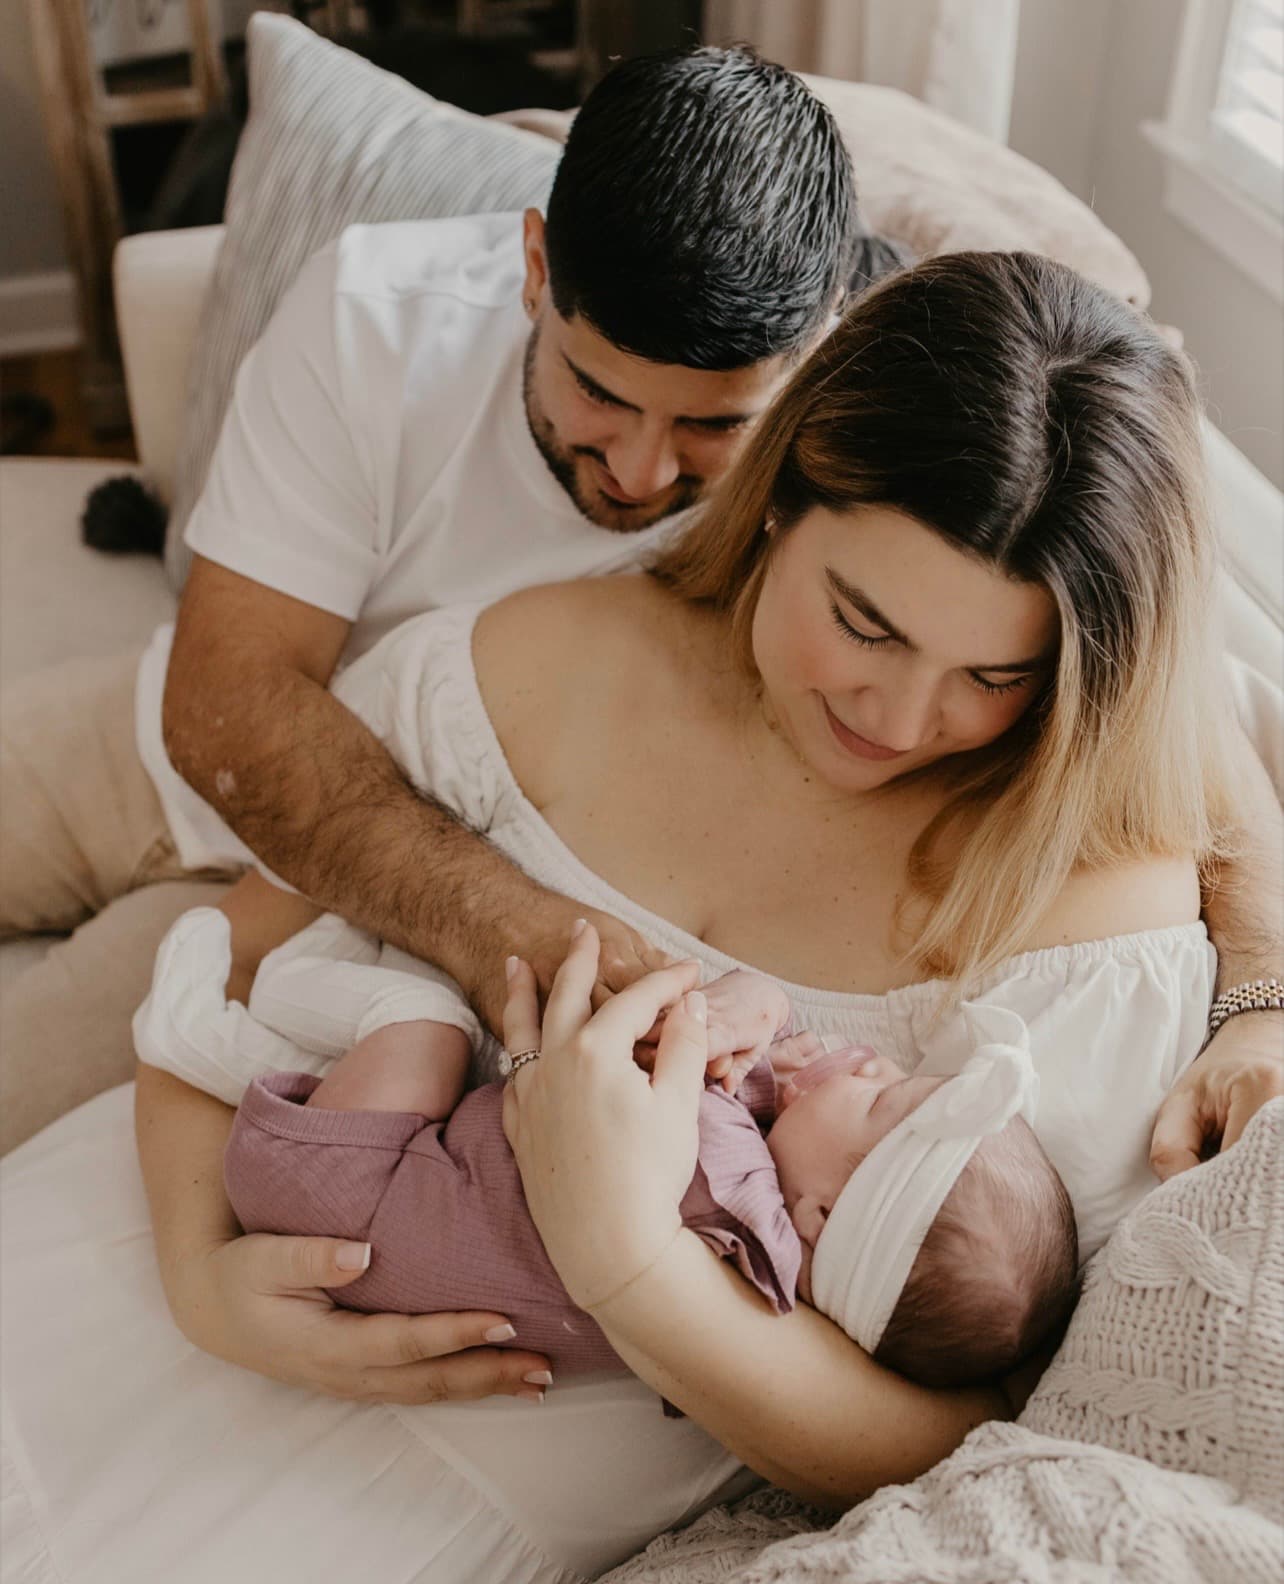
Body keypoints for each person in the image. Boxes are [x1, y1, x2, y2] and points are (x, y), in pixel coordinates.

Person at [5, 249, 1280, 1583]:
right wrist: (202, 1274)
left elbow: (957, 1427)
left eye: (992, 674)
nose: (898, 720)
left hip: (415, 1492)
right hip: (141, 1269)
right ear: (782, 497)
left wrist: (627, 1264)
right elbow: (240, 951)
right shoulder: (527, 660)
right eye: (863, 621)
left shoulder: (1090, 932)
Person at [0, 44, 872, 1151]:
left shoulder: (855, 480)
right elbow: (227, 696)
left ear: (820, 341)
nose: (644, 472)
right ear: (534, 265)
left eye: (711, 425)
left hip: (339, 932)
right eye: (598, 393)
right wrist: (515, 925)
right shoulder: (377, 315)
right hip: (176, 751)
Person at [136, 919, 1077, 1388]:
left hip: (342, 1191)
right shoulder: (756, 1270)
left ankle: (223, 1024)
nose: (868, 1061)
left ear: (819, 1218)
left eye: (877, 1100)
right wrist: (791, 1060)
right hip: (342, 1238)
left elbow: (642, 1043)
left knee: (426, 1017)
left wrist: (743, 1010)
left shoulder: (713, 1169)